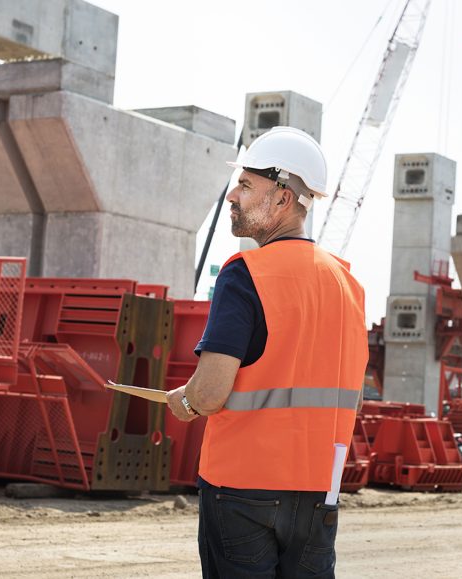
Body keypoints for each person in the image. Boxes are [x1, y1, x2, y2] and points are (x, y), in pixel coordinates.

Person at [165, 126, 368, 578]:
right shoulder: (348, 284)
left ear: (282, 198)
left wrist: (186, 401)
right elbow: (348, 396)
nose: (232, 195)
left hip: (241, 489)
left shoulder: (245, 274)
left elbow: (210, 393)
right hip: (318, 491)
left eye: (245, 184)